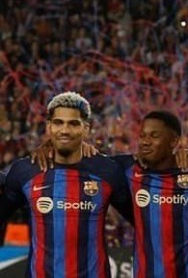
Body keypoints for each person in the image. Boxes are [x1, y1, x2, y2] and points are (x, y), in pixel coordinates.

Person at [0, 92, 133, 277]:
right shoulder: (25, 170)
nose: (64, 130)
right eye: (58, 122)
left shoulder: (108, 171)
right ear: (49, 127)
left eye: (73, 124)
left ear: (86, 128)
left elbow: (141, 219)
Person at [113, 110, 188, 278]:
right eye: (143, 136)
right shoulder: (127, 168)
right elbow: (91, 161)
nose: (145, 142)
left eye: (154, 136)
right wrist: (83, 147)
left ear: (174, 141)